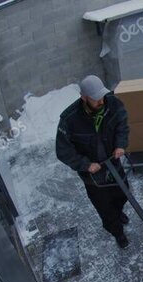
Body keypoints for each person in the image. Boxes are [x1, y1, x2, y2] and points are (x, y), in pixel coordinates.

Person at [56, 75, 131, 249]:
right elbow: (63, 151)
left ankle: (118, 212)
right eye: (96, 99)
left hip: (113, 163)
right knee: (104, 207)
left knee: (122, 194)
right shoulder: (69, 119)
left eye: (102, 96)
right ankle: (117, 232)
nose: (101, 101)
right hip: (93, 174)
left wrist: (121, 144)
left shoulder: (112, 103)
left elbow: (122, 124)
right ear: (84, 98)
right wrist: (86, 165)